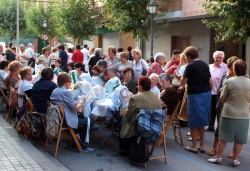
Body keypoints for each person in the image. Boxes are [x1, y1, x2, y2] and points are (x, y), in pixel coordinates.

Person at [208, 59, 250, 167]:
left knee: (224, 137)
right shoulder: (249, 82)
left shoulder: (229, 81)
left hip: (228, 113)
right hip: (244, 114)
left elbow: (222, 98)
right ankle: (235, 160)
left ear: (235, 69)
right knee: (240, 139)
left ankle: (218, 156)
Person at [180, 46, 212, 153]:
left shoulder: (190, 66)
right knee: (202, 120)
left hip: (195, 94)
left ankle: (193, 145)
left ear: (189, 56)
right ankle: (202, 144)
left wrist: (179, 76)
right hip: (206, 93)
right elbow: (210, 81)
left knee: (193, 121)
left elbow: (182, 82)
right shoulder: (205, 64)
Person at [119, 76, 162, 155]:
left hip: (142, 126)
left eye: (138, 86)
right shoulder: (155, 95)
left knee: (124, 121)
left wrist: (124, 111)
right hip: (156, 125)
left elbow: (128, 116)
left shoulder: (135, 98)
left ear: (140, 87)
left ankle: (125, 149)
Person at [50, 72, 94, 148]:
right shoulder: (66, 92)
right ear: (65, 82)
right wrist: (82, 101)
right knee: (90, 121)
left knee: (82, 118)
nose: (71, 83)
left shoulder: (55, 91)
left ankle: (76, 139)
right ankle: (80, 143)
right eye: (70, 81)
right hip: (66, 119)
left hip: (57, 117)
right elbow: (76, 109)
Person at [208, 56, 239, 157]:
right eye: (230, 68)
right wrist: (222, 92)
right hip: (223, 104)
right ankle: (214, 147)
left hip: (236, 106)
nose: (232, 71)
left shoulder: (244, 77)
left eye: (233, 69)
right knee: (219, 127)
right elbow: (219, 90)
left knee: (235, 128)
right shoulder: (224, 76)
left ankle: (234, 150)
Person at [206, 51, 228, 132]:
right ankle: (210, 126)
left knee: (219, 111)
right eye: (216, 57)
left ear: (223, 58)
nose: (218, 59)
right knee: (210, 110)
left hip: (220, 93)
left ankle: (220, 128)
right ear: (213, 58)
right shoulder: (210, 66)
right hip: (210, 92)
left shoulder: (226, 67)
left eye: (220, 57)